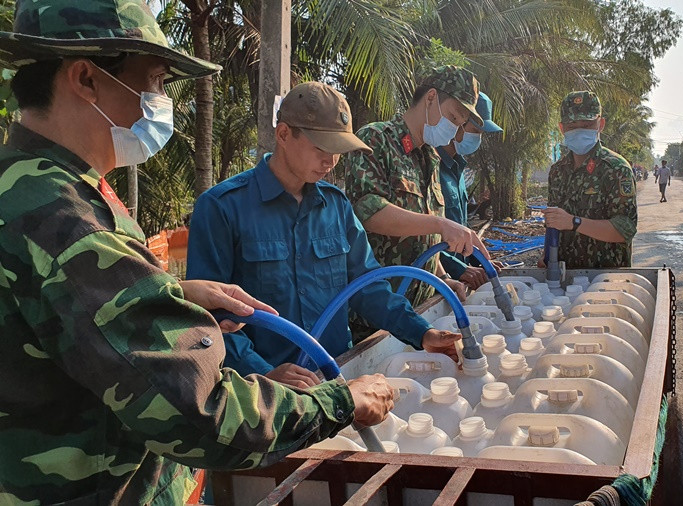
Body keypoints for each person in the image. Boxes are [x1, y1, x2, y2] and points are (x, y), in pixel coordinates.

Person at [0, 2, 393, 503]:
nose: (160, 102)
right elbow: (198, 410)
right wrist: (340, 402)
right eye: (156, 82)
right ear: (85, 78)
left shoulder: (30, 185)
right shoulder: (62, 218)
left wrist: (171, 294)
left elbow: (68, 318)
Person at [186, 82, 461, 382]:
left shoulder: (335, 206)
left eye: (338, 151)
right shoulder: (222, 208)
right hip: (262, 397)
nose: (330, 162)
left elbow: (367, 287)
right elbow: (208, 316)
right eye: (321, 148)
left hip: (335, 376)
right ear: (284, 134)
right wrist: (264, 374)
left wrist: (421, 332)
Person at [345, 66, 489, 308]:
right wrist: (442, 224)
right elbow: (368, 213)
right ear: (431, 97)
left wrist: (443, 278)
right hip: (379, 308)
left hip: (419, 306)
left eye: (460, 124)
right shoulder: (375, 140)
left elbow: (426, 239)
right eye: (453, 118)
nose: (454, 130)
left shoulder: (430, 158)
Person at [541, 91, 638, 268]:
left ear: (600, 124)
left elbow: (625, 229)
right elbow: (553, 222)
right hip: (564, 280)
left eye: (586, 124)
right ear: (562, 128)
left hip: (606, 279)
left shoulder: (616, 169)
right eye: (572, 126)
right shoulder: (557, 171)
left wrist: (574, 222)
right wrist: (546, 256)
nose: (579, 131)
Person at [437, 92, 504, 290]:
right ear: (457, 124)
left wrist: (478, 263)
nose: (477, 139)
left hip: (457, 280)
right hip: (436, 278)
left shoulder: (457, 169)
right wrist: (457, 269)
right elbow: (424, 237)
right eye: (475, 131)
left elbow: (460, 229)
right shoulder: (431, 168)